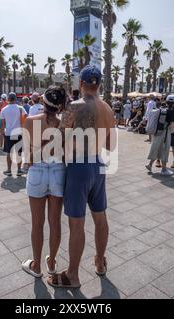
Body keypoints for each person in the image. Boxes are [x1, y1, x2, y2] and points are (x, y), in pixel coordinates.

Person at [47, 65, 116, 289]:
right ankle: (100, 262)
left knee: (77, 223)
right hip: (98, 164)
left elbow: (58, 141)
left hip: (78, 166)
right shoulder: (107, 108)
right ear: (99, 85)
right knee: (100, 217)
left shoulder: (74, 107)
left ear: (80, 84)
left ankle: (73, 275)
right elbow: (110, 144)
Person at [21, 86, 67, 278]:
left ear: (43, 101)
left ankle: (37, 265)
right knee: (55, 222)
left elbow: (27, 154)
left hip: (37, 171)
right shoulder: (65, 125)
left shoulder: (30, 121)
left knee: (37, 223)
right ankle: (51, 262)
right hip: (57, 171)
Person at [145, 96, 174, 176]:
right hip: (165, 133)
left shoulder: (161, 109)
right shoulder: (172, 112)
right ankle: (164, 169)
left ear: (166, 101)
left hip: (157, 132)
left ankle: (150, 165)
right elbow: (173, 126)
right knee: (164, 150)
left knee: (155, 148)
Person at [0, 92, 27, 177]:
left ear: (8, 99)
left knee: (9, 153)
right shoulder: (20, 108)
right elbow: (26, 117)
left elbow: (2, 124)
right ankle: (19, 170)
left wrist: (2, 132)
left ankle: (9, 170)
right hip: (19, 132)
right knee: (19, 152)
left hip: (8, 133)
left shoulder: (4, 109)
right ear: (15, 99)